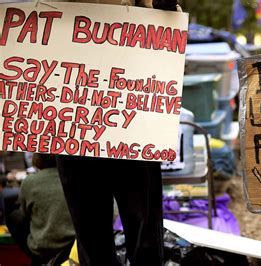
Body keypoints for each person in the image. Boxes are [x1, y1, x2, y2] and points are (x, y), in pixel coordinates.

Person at [54, 0, 179, 265]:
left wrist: (164, 6)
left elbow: (164, 14)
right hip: (73, 110)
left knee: (143, 236)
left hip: (127, 112)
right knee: (93, 236)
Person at [6, 153, 75, 265]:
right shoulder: (76, 177)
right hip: (74, 246)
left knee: (14, 216)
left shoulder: (30, 181)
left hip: (43, 250)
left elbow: (24, 213)